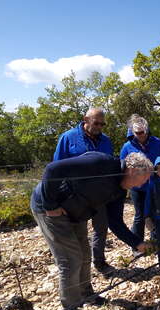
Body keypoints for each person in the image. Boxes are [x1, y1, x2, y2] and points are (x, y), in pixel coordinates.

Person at [31, 152, 154, 310]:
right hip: (50, 210)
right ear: (132, 170)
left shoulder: (120, 190)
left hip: (76, 214)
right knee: (71, 259)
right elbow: (53, 169)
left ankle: (87, 294)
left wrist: (137, 243)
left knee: (85, 255)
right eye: (144, 178)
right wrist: (50, 205)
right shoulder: (100, 163)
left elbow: (115, 222)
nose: (144, 183)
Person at [53, 107, 114, 275]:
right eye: (96, 123)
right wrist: (57, 197)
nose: (100, 127)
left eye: (103, 124)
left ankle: (100, 262)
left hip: (99, 195)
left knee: (101, 228)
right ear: (85, 120)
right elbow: (56, 168)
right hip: (74, 197)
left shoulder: (106, 141)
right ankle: (81, 270)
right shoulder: (68, 138)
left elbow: (110, 166)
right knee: (80, 232)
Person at [120, 115, 160, 255]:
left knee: (155, 213)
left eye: (143, 132)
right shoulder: (127, 146)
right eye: (137, 133)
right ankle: (137, 245)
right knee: (140, 215)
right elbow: (122, 165)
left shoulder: (157, 142)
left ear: (147, 130)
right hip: (137, 187)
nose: (141, 135)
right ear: (132, 132)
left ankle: (155, 243)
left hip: (154, 185)